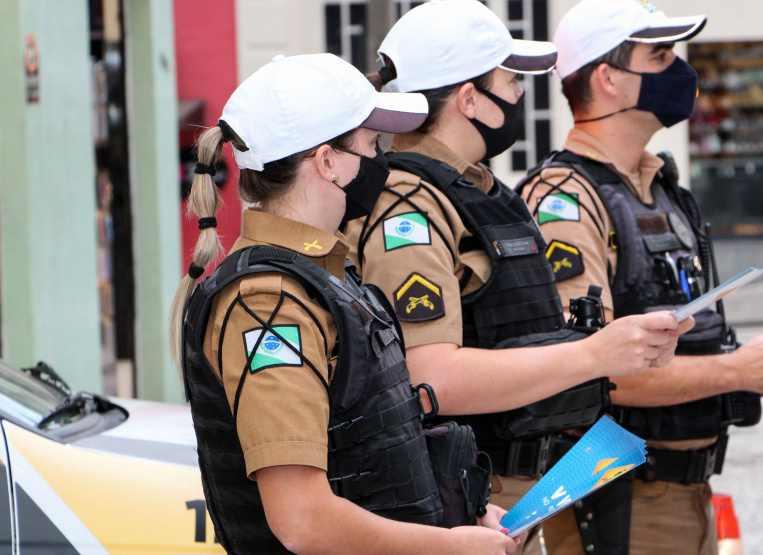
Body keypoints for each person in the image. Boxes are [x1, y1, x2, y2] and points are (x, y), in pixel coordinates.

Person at [344, 2, 693, 553]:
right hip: (464, 503)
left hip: (521, 494)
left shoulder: (477, 190)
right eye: (510, 81)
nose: (521, 96)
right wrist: (594, 355)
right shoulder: (407, 208)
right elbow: (429, 378)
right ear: (468, 99)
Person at [517, 1, 763, 553]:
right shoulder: (563, 202)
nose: (680, 70)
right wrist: (739, 370)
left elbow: (690, 338)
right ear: (610, 79)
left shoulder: (664, 190)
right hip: (618, 505)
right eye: (661, 55)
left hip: (690, 496)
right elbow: (591, 371)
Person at [169, 53, 522, 555]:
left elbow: (376, 450)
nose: (383, 160)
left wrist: (466, 512)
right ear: (328, 162)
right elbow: (302, 519)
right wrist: (448, 548)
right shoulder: (267, 303)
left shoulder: (326, 276)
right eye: (371, 144)